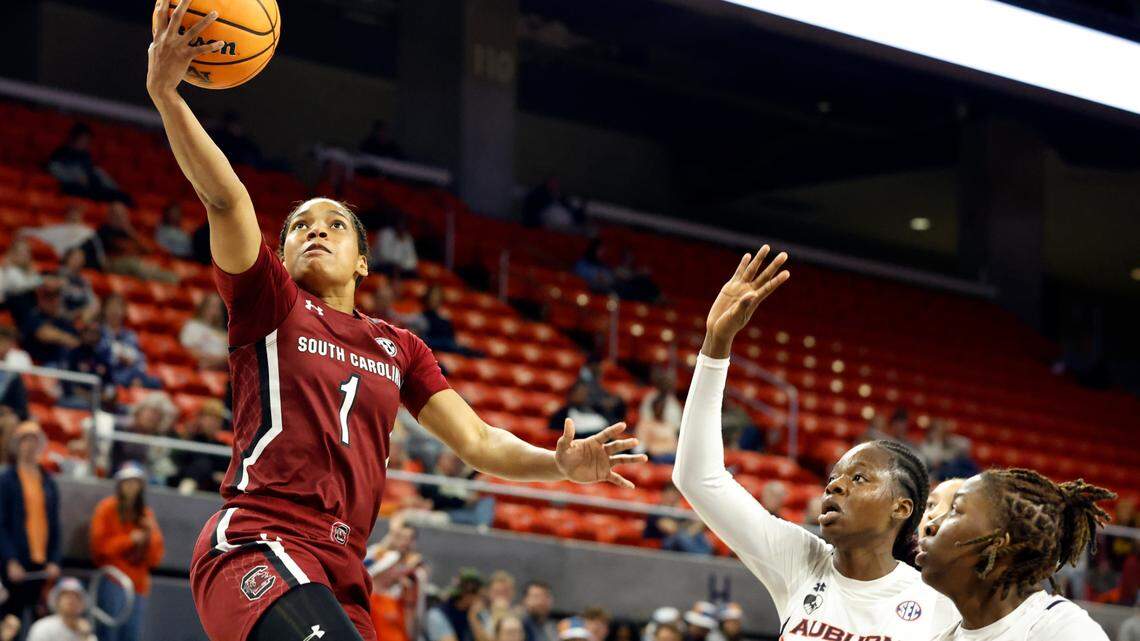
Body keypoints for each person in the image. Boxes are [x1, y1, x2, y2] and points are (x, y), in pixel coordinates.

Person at [147, 6, 646, 641]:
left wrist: (559, 464)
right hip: (258, 540)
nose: (315, 232)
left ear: (362, 261)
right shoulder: (269, 301)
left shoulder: (400, 346)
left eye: (333, 225)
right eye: (301, 225)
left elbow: (480, 443)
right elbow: (225, 198)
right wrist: (166, 94)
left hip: (341, 569)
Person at [671, 246, 959, 641]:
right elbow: (698, 477)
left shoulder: (939, 605)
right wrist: (715, 345)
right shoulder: (800, 560)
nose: (835, 486)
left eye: (859, 479)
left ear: (902, 507)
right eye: (834, 478)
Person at [917, 468, 1114, 640]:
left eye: (954, 509)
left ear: (998, 543)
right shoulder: (943, 637)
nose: (930, 525)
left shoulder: (1062, 631)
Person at [90, 463, 165, 641]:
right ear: (119, 485)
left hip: (138, 584)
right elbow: (98, 548)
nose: (131, 487)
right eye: (127, 482)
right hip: (112, 579)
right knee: (107, 634)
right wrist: (129, 540)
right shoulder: (106, 508)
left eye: (135, 482)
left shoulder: (146, 514)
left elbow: (156, 558)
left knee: (131, 635)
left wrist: (150, 534)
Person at [0, 423, 62, 625]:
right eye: (25, 440)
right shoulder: (6, 480)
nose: (30, 446)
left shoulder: (48, 481)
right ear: (17, 445)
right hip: (15, 563)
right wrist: (10, 559)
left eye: (34, 441)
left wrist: (54, 559)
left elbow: (54, 524)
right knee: (10, 621)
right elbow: (1, 523)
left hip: (41, 563)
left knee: (40, 621)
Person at [46, 123, 130, 203]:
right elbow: (54, 169)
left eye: (87, 140)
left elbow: (93, 173)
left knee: (121, 197)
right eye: (83, 139)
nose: (85, 143)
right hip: (73, 188)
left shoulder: (86, 156)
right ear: (74, 138)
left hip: (91, 189)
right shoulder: (61, 153)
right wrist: (76, 178)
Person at [97, 201, 178, 283]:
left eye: (123, 215)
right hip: (114, 264)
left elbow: (147, 250)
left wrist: (129, 230)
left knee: (170, 275)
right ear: (109, 216)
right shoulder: (104, 230)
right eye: (116, 214)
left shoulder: (128, 232)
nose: (120, 217)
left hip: (134, 263)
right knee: (134, 265)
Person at [418, 451, 495, 528]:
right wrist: (464, 501)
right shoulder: (431, 477)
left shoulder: (460, 478)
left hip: (466, 511)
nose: (457, 465)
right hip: (447, 512)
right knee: (478, 513)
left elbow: (473, 477)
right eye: (454, 461)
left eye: (460, 463)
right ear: (441, 459)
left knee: (487, 499)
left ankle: (483, 527)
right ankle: (482, 527)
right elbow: (436, 500)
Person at [99, 294, 161, 389]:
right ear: (104, 309)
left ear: (124, 311)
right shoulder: (98, 332)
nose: (115, 311)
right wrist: (117, 358)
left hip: (131, 374)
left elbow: (140, 361)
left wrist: (135, 373)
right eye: (112, 306)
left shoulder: (130, 335)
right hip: (110, 374)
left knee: (156, 382)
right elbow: (97, 356)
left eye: (119, 307)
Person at [170, 399, 230, 493]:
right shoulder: (190, 441)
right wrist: (212, 475)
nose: (212, 422)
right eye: (209, 417)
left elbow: (225, 475)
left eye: (216, 419)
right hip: (186, 487)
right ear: (200, 419)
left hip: (214, 492)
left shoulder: (223, 448)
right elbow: (180, 467)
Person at [17, 277, 80, 367]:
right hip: (36, 367)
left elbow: (78, 340)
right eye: (48, 298)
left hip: (62, 365)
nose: (53, 302)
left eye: (55, 297)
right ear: (40, 299)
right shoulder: (33, 316)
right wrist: (68, 339)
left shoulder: (61, 321)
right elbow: (44, 334)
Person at [414, 284, 483, 357]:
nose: (435, 299)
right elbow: (423, 340)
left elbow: (451, 337)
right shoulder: (420, 317)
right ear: (427, 297)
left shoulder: (444, 318)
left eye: (438, 296)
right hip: (434, 350)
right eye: (433, 296)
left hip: (449, 348)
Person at [642, 484, 711, 555]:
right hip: (663, 543)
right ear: (663, 494)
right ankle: (702, 559)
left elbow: (698, 525)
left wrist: (692, 528)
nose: (673, 497)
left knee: (699, 536)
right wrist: (690, 528)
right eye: (670, 493)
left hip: (682, 541)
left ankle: (705, 557)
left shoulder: (679, 512)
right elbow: (670, 528)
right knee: (681, 538)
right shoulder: (656, 511)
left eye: (676, 494)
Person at [25, 577, 96, 641]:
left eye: (76, 596)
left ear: (83, 603)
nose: (71, 600)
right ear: (56, 601)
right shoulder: (43, 627)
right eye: (66, 595)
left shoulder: (86, 632)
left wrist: (85, 637)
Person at [424, 570, 484, 641]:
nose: (475, 596)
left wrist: (473, 618)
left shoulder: (478, 613)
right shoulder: (437, 614)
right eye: (469, 590)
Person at [179, 293, 229, 370]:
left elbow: (230, 356)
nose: (215, 311)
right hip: (199, 367)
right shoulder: (192, 326)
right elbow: (188, 350)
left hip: (223, 369)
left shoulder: (224, 332)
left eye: (218, 307)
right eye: (212, 306)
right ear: (204, 306)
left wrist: (217, 361)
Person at [56, 247, 100, 324]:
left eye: (81, 258)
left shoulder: (83, 281)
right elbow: (59, 305)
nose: (79, 261)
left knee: (95, 304)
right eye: (76, 257)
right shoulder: (58, 275)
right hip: (63, 316)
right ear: (67, 258)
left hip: (82, 315)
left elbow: (92, 301)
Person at [635, 393, 678, 464]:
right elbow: (642, 446)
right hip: (655, 458)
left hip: (672, 457)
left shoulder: (669, 425)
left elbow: (674, 444)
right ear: (653, 408)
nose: (660, 410)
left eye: (662, 407)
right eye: (658, 407)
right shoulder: (645, 424)